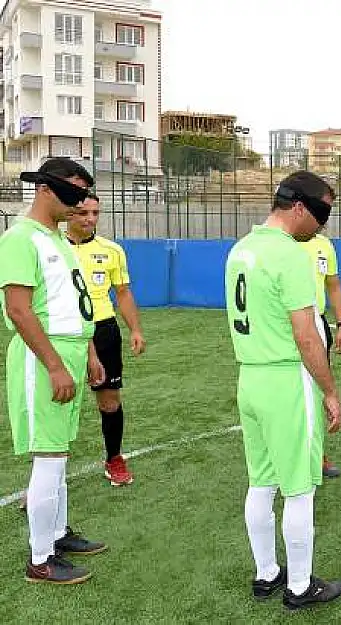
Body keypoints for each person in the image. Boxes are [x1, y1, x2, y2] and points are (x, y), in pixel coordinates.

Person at [225, 171, 341, 610]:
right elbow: (307, 336)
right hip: (285, 379)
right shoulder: (291, 256)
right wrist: (329, 391)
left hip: (250, 375)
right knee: (298, 487)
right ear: (299, 207)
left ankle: (266, 573)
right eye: (322, 213)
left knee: (261, 481)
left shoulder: (241, 250)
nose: (322, 225)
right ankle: (299, 585)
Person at [0, 158, 107, 584]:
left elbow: (74, 302)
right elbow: (19, 310)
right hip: (44, 359)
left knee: (59, 453)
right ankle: (40, 560)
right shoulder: (19, 239)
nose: (79, 205)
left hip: (71, 352)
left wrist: (91, 354)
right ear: (45, 189)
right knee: (49, 457)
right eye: (73, 195)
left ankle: (58, 534)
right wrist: (55, 364)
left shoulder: (59, 239)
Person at [65, 192, 146, 487]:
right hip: (64, 332)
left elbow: (122, 293)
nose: (90, 219)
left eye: (95, 213)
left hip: (103, 330)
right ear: (68, 213)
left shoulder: (112, 250)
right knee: (58, 402)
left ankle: (114, 458)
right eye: (83, 212)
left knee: (109, 401)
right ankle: (45, 479)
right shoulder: (53, 248)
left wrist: (135, 329)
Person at [300, 232, 341, 479]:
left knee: (319, 390)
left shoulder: (323, 244)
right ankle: (286, 455)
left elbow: (334, 284)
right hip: (284, 324)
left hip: (317, 324)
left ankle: (317, 455)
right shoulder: (280, 243)